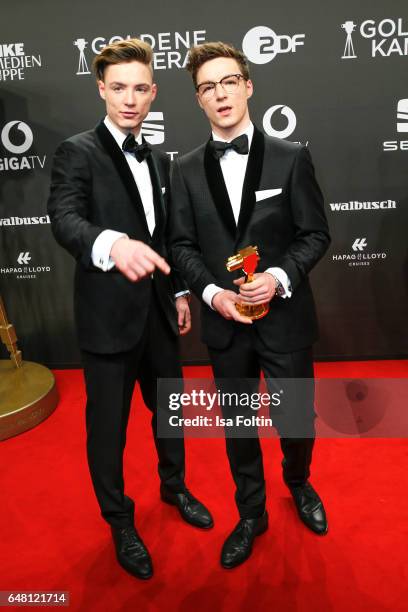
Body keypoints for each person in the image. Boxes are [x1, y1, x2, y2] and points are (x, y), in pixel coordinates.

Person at [47, 38, 213, 581]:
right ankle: (119, 520)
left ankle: (175, 488)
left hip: (161, 315)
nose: (130, 99)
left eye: (140, 88)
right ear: (101, 89)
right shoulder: (78, 151)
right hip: (107, 319)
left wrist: (182, 293)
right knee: (108, 429)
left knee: (170, 416)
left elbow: (166, 238)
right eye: (118, 88)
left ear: (153, 93)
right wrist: (110, 244)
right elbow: (65, 219)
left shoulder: (162, 160)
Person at [169, 42, 331, 569]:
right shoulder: (187, 169)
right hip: (226, 326)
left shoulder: (291, 157)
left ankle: (299, 482)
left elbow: (315, 234)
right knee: (238, 426)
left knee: (297, 420)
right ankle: (251, 512)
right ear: (198, 99)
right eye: (208, 87)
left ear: (248, 85)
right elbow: (181, 247)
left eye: (228, 81)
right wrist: (213, 295)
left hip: (284, 319)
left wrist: (280, 276)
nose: (220, 94)